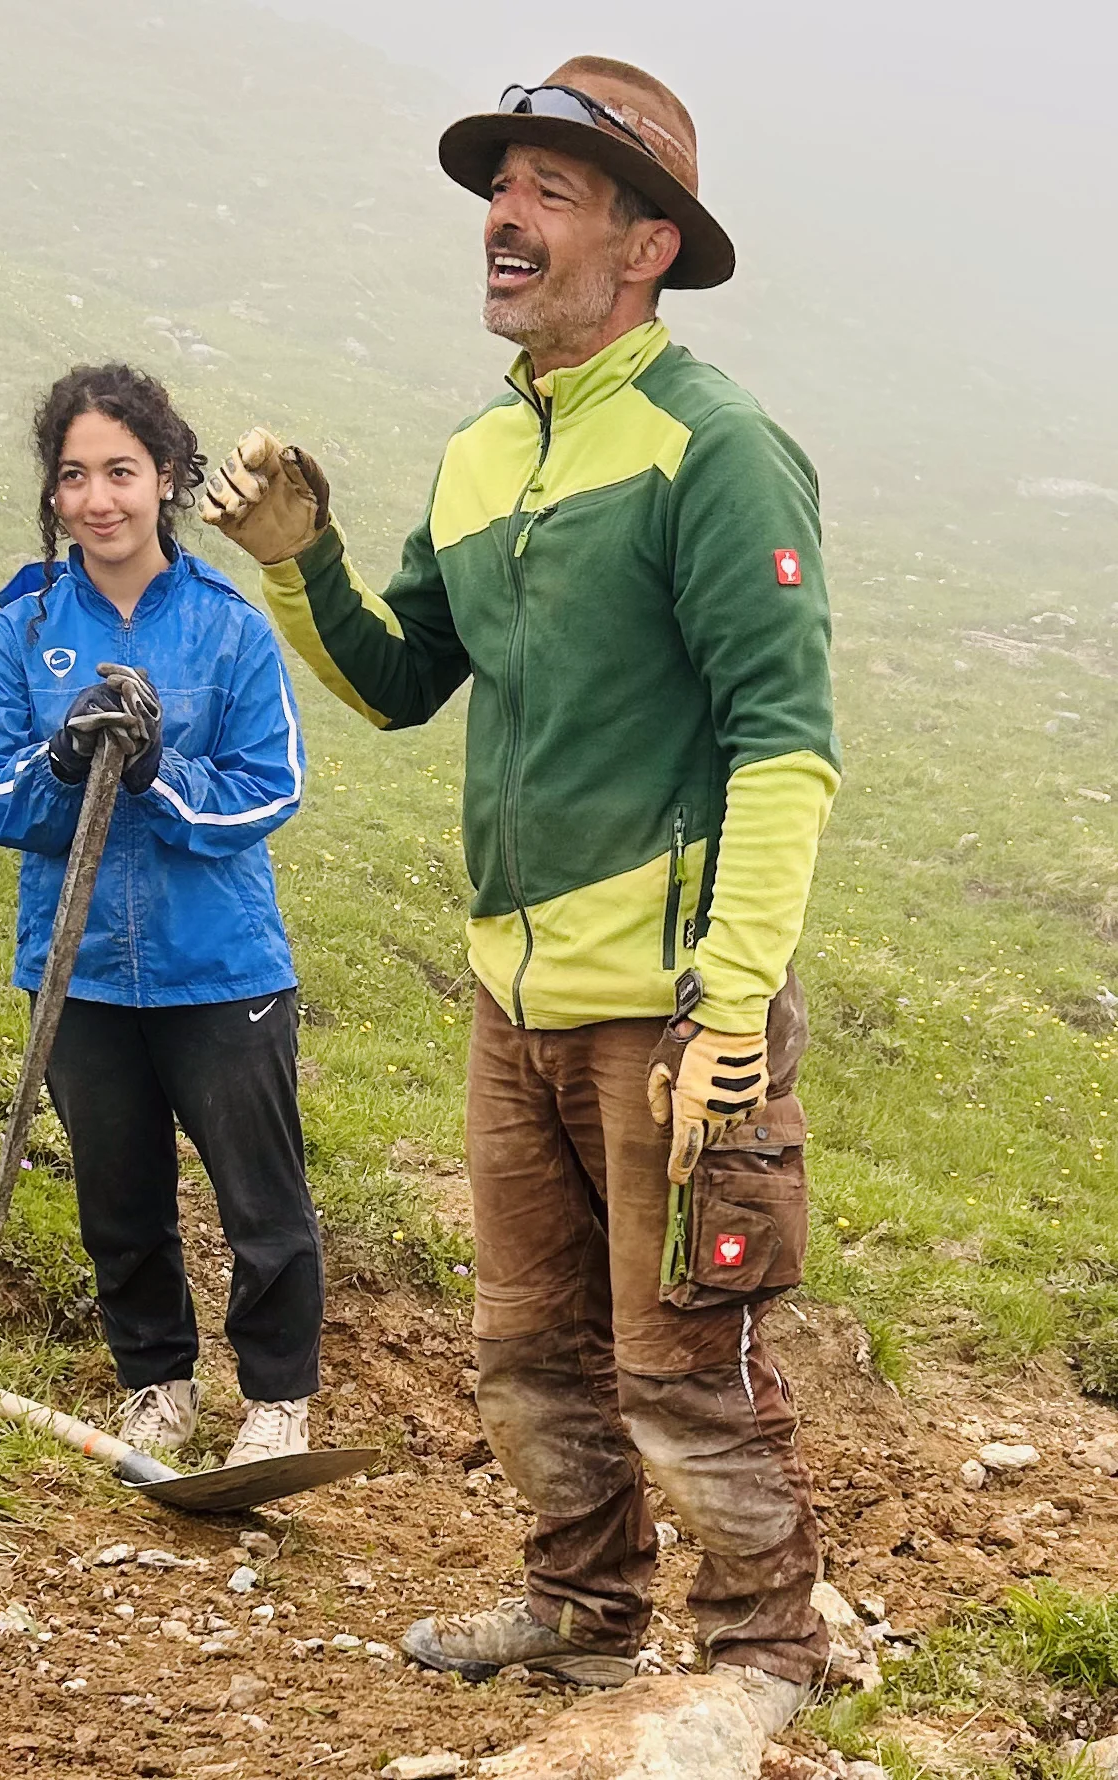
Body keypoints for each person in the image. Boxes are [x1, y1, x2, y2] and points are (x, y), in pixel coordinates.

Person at [201, 57, 840, 1730]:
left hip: (670, 1001)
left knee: (684, 1354)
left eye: (552, 189)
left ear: (644, 248)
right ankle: (581, 1608)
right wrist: (300, 565)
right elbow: (411, 678)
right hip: (517, 991)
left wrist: (731, 999)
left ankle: (769, 1652)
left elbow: (785, 747)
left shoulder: (720, 451)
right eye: (501, 186)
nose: (504, 214)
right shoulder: (484, 454)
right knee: (530, 1343)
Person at [0, 363, 321, 1463]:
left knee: (263, 1202)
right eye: (74, 476)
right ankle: (156, 1383)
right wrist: (64, 762)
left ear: (164, 477)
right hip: (80, 973)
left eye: (121, 471)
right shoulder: (21, 630)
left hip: (222, 968)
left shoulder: (228, 628)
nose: (97, 498)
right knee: (119, 1199)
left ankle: (276, 1403)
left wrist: (158, 772)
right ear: (54, 494)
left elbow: (272, 786)